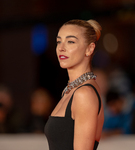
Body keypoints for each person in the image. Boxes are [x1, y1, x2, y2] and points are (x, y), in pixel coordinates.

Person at [44, 19, 104, 150]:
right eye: (59, 41)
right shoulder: (70, 90)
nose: (61, 48)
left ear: (89, 49)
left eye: (70, 42)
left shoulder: (84, 94)